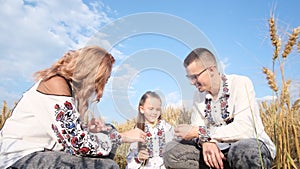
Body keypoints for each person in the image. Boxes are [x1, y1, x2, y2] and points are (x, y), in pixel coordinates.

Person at [0, 46, 146, 169]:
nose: (102, 87)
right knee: (108, 166)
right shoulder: (56, 83)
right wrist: (123, 137)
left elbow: (68, 136)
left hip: (45, 151)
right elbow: (78, 144)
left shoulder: (71, 92)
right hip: (21, 157)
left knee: (108, 130)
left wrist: (88, 130)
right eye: (103, 80)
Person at [163, 48, 276, 169]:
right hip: (216, 151)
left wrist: (202, 133)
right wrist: (206, 141)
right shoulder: (198, 96)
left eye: (195, 77)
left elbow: (245, 129)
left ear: (211, 70)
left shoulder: (240, 83)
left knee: (244, 151)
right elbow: (197, 126)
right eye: (189, 77)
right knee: (172, 151)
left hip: (248, 147)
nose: (192, 82)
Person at [126, 91, 174, 169]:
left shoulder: (167, 128)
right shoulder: (138, 131)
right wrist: (139, 158)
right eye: (151, 109)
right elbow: (130, 159)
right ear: (142, 109)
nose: (154, 112)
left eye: (157, 109)